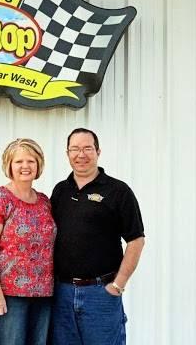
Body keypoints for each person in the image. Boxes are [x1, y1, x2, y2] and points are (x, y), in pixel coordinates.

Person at [49, 128, 145, 345]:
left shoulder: (118, 191)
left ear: (98, 152)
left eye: (87, 148)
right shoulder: (60, 191)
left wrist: (118, 285)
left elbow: (136, 240)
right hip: (62, 294)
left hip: (100, 294)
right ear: (67, 153)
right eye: (75, 149)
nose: (80, 154)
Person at [0, 138, 57, 345]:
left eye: (31, 161)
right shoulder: (0, 199)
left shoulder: (44, 202)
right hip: (8, 295)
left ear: (39, 165)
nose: (25, 166)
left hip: (42, 295)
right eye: (19, 161)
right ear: (9, 165)